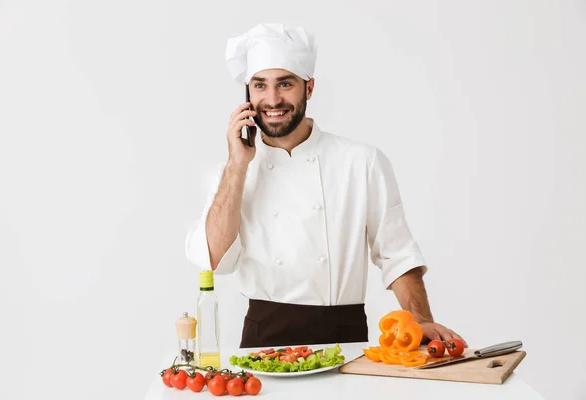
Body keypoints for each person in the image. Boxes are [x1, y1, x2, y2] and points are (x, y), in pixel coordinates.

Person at [186, 23, 467, 349]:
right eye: (260, 85)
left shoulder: (362, 161)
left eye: (285, 84)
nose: (272, 98)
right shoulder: (231, 174)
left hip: (343, 339)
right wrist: (237, 165)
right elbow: (214, 260)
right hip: (264, 344)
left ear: (310, 88)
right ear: (247, 94)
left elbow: (397, 254)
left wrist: (420, 318)